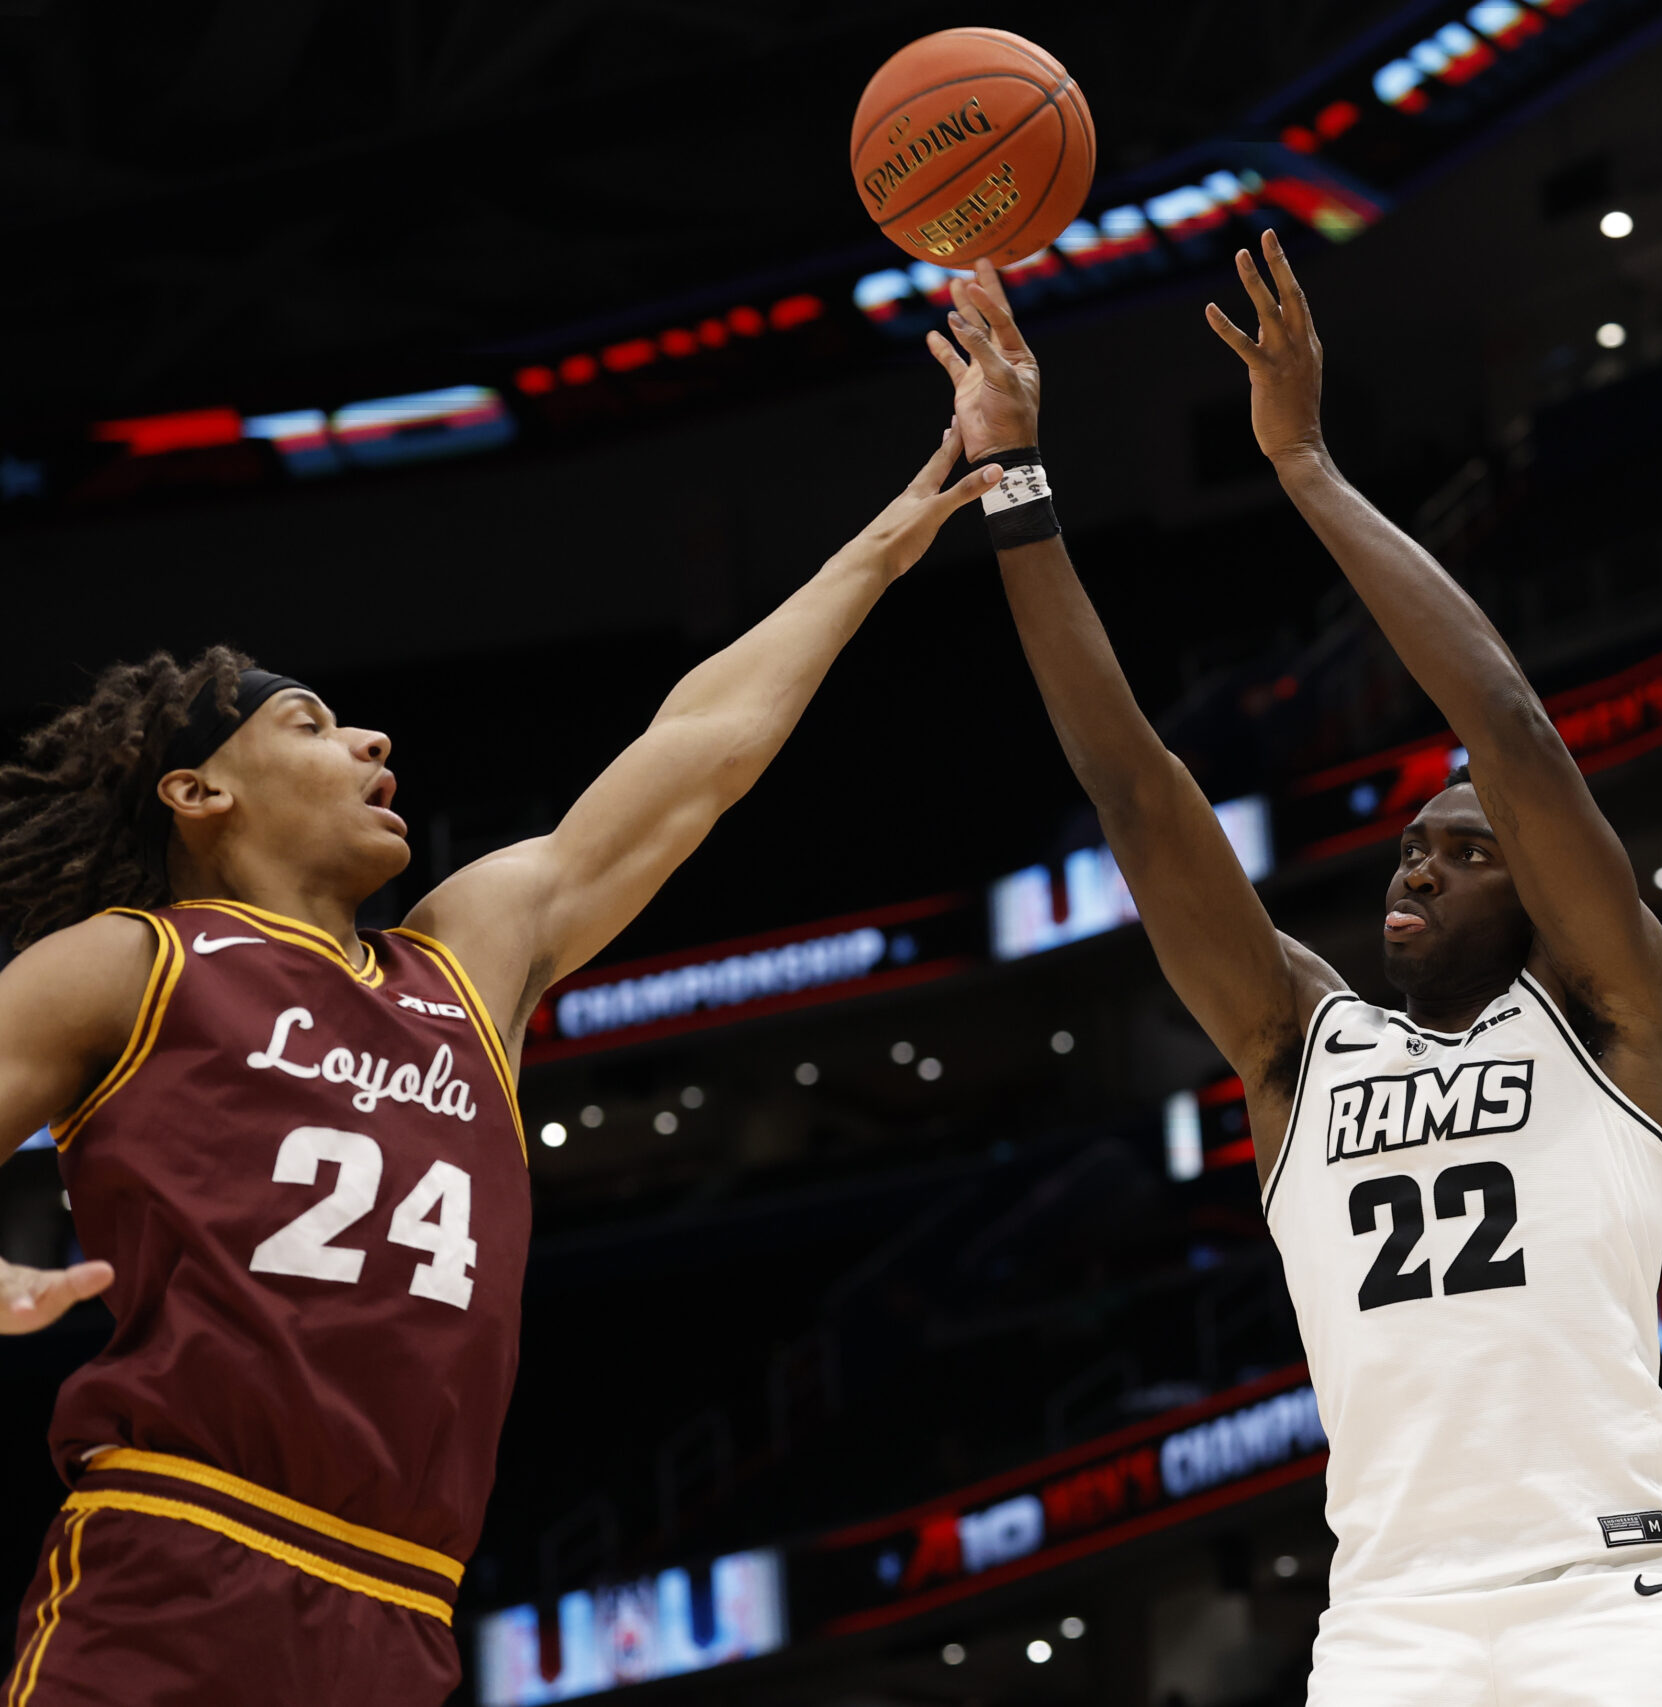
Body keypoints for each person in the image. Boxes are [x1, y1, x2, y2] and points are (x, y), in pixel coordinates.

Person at [0, 432, 1002, 1705]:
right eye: (310, 724)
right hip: (181, 1552)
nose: (371, 742)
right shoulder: (131, 963)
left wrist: (882, 548)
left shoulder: (464, 963)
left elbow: (700, 746)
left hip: (404, 1602)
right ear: (196, 794)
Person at [926, 231, 1662, 1705]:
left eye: (1464, 847)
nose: (1415, 860)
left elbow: (1512, 728)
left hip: (1603, 1602)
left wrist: (1305, 467)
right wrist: (1018, 477)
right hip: (1390, 1624)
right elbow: (1136, 789)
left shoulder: (1606, 1019)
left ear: (1543, 892)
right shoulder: (1302, 1045)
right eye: (1410, 843)